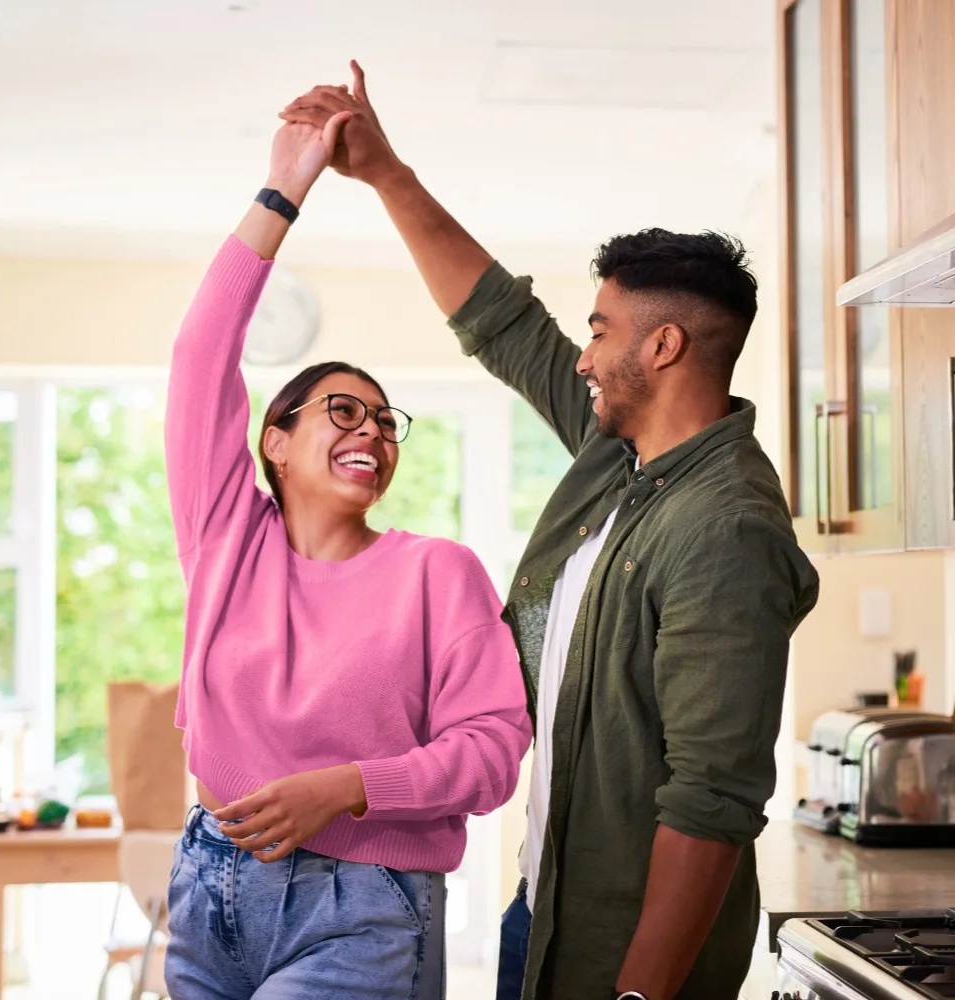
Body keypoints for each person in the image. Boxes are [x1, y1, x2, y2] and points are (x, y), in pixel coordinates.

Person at [281, 65, 820, 1000]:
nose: (583, 354)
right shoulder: (624, 457)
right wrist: (384, 172)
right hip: (547, 909)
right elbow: (503, 323)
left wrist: (639, 996)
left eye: (601, 330)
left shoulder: (723, 529)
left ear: (661, 349)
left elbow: (713, 804)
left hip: (627, 954)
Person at [162, 107, 532, 1000]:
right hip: (209, 889)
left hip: (363, 909)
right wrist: (285, 188)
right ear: (274, 443)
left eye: (384, 419)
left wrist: (346, 788)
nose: (372, 428)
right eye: (341, 409)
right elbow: (200, 356)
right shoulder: (225, 543)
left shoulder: (436, 573)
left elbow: (493, 749)